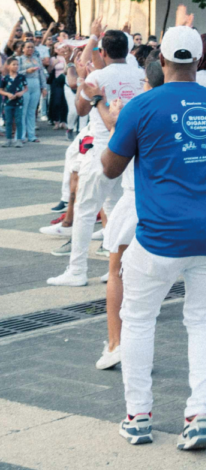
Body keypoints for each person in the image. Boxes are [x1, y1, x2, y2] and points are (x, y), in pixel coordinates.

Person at [101, 26, 206, 450]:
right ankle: (199, 416)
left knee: (138, 320)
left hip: (160, 234)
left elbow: (109, 168)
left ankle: (138, 416)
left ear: (161, 58)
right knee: (202, 320)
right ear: (198, 60)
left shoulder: (142, 106)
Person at [47, 24, 146, 287]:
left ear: (103, 51)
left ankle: (77, 269)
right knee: (117, 208)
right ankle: (118, 265)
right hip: (133, 151)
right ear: (128, 49)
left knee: (85, 210)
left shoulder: (97, 77)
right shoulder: (141, 75)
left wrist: (81, 79)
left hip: (104, 149)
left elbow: (80, 110)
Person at [96, 58, 166, 371]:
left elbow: (112, 162)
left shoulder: (138, 109)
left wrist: (111, 117)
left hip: (136, 200)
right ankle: (136, 347)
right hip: (169, 204)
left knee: (118, 271)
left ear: (148, 84)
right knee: (151, 281)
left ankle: (116, 343)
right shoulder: (183, 108)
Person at [17, 38, 45, 142]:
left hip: (36, 83)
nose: (30, 49)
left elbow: (41, 73)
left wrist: (44, 87)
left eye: (32, 47)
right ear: (23, 49)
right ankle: (22, 135)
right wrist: (26, 71)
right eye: (28, 47)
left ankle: (32, 135)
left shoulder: (37, 59)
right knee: (23, 110)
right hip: (25, 83)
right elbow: (17, 73)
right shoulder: (19, 59)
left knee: (32, 111)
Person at [0, 57, 27, 147]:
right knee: (8, 121)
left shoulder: (21, 77)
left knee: (19, 121)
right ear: (8, 66)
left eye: (17, 64)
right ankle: (8, 140)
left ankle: (19, 139)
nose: (16, 66)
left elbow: (26, 88)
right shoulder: (5, 78)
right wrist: (7, 94)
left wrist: (21, 93)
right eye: (14, 64)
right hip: (8, 102)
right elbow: (1, 90)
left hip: (18, 102)